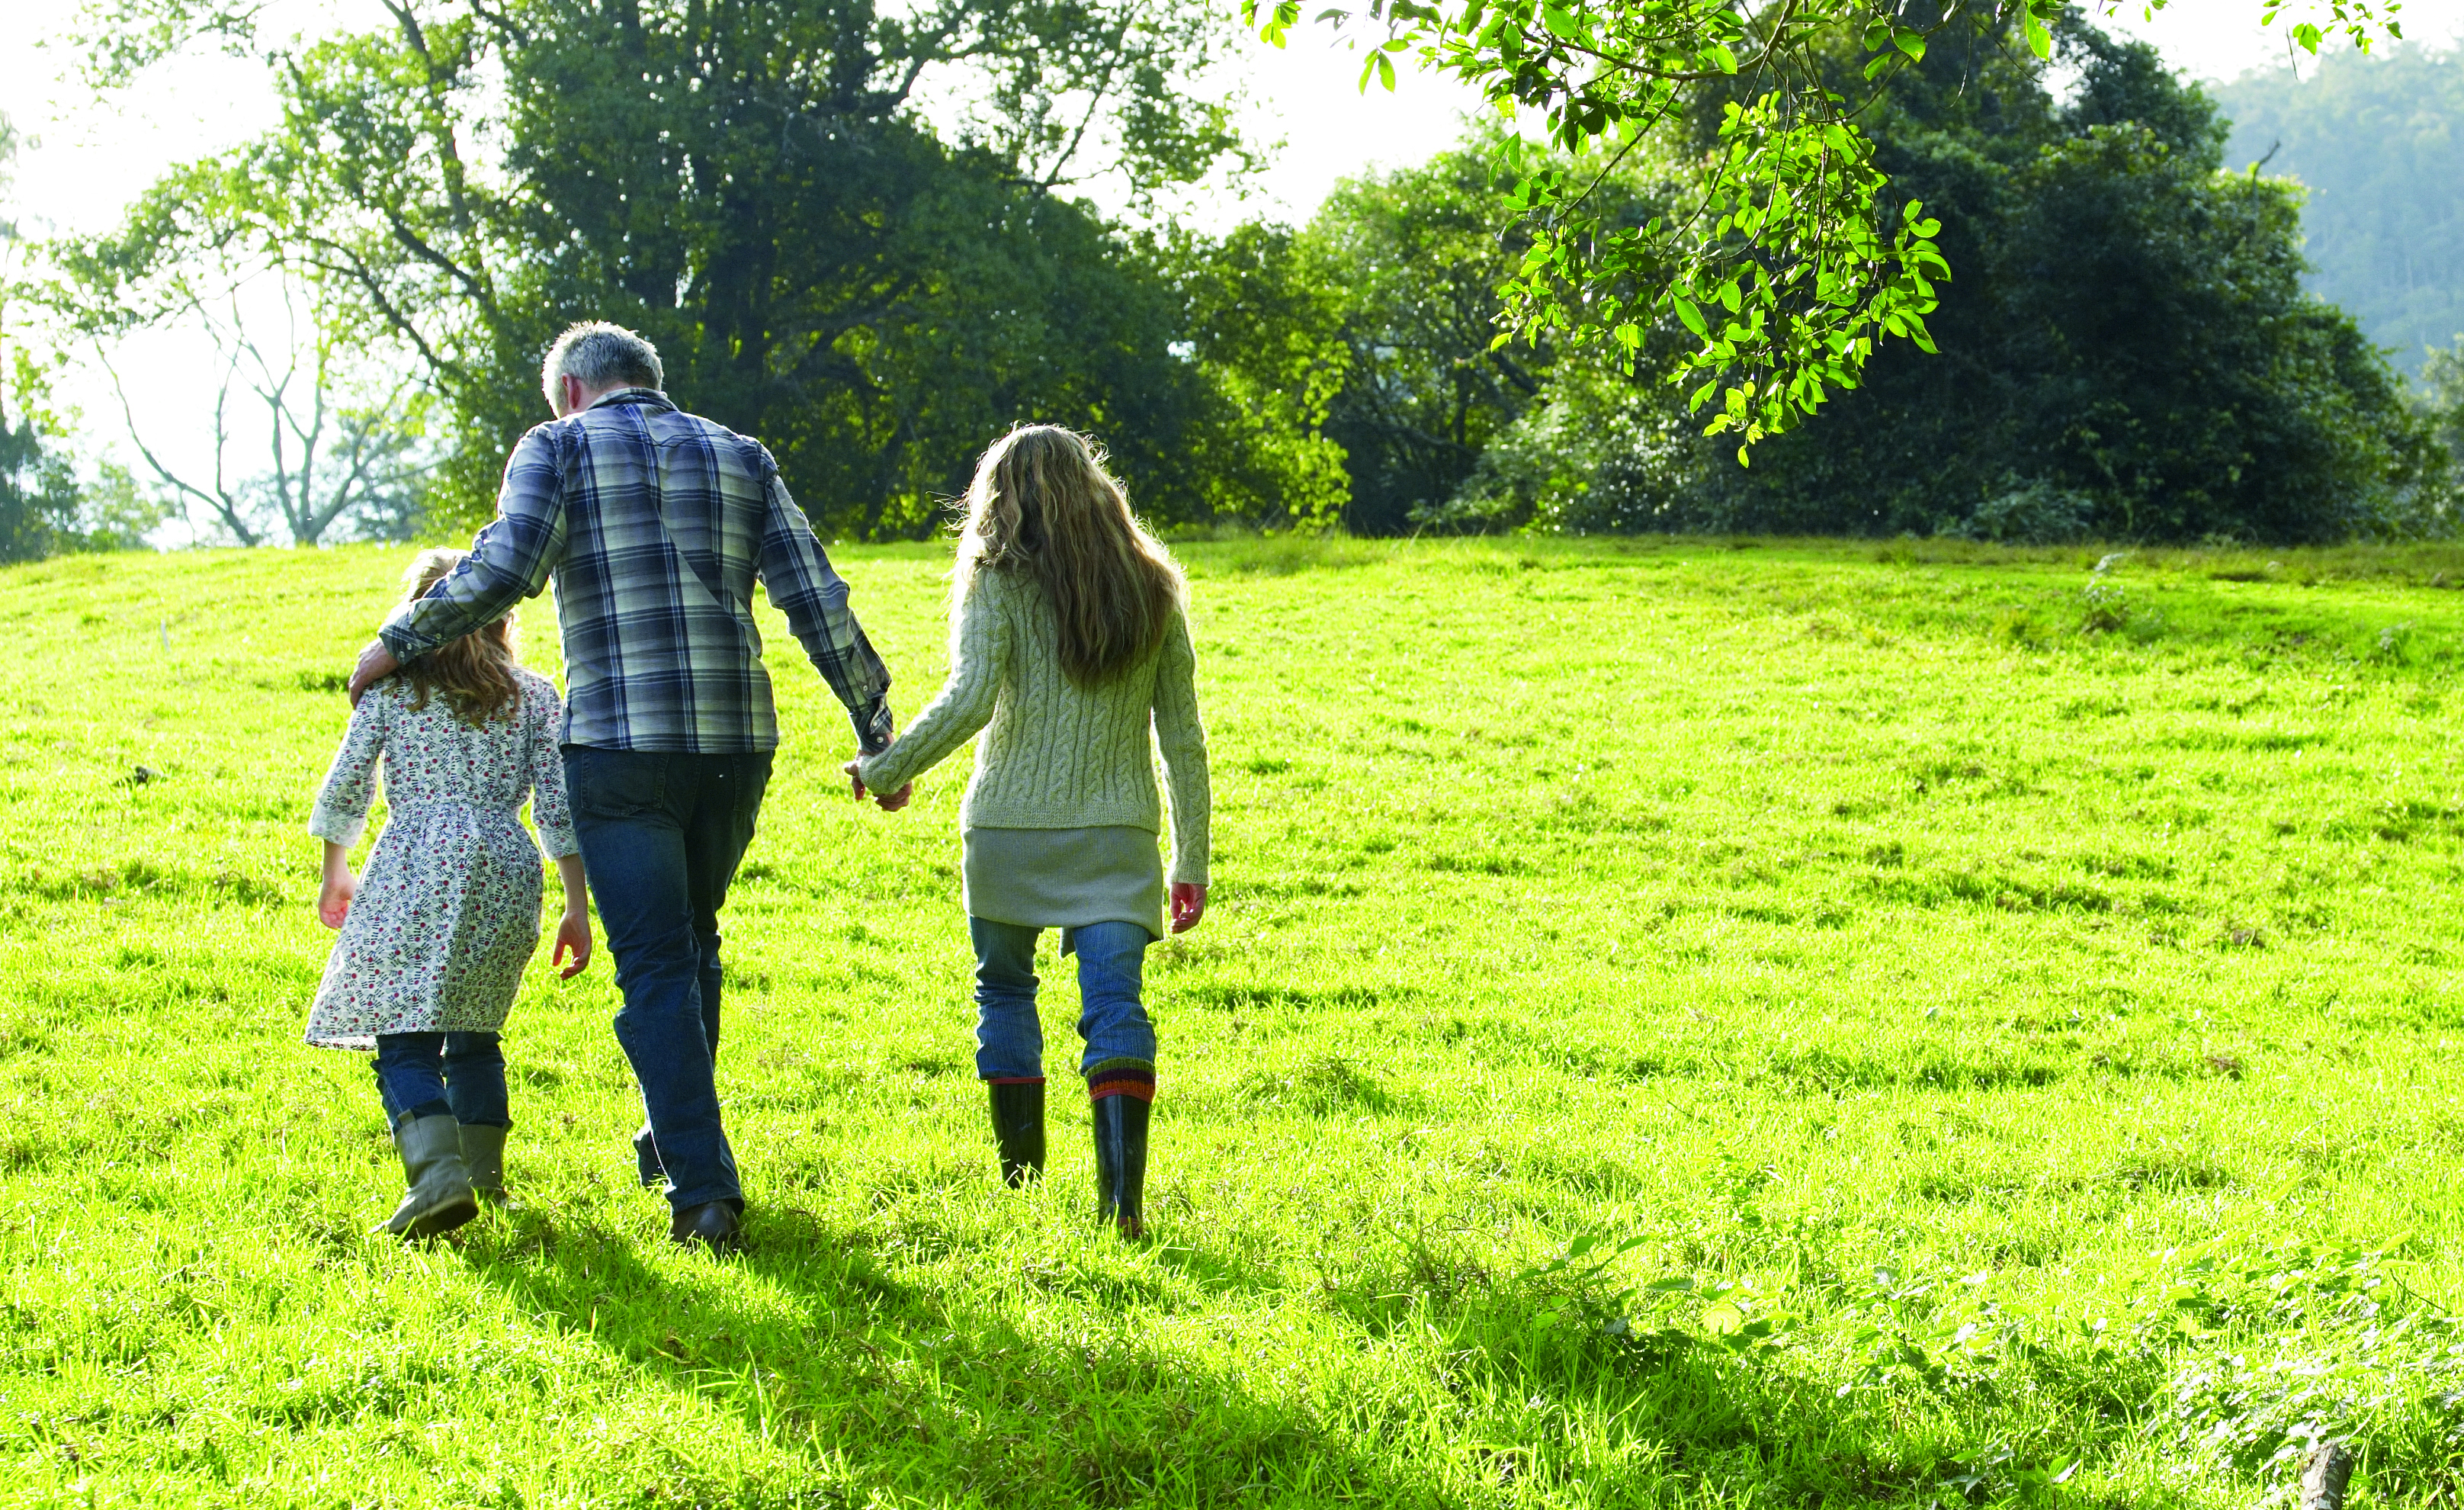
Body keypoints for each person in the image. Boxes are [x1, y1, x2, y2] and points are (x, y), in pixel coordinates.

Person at [345, 322, 903, 1253]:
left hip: (620, 744)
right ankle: (670, 1140)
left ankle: (703, 1191)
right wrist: (874, 727)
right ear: (649, 381)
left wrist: (398, 640)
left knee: (653, 959)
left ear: (568, 390)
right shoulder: (739, 453)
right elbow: (815, 594)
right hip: (733, 744)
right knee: (690, 940)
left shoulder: (555, 446)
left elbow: (506, 569)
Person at [848, 425, 1209, 1239]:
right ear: (1094, 485)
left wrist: (886, 767)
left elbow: (971, 698)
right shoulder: (1153, 585)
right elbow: (1181, 734)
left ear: (999, 495)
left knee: (1004, 991)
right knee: (1115, 1002)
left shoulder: (995, 580)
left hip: (1008, 824)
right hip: (1117, 833)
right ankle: (1121, 1203)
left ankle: (1022, 1185)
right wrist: (1191, 859)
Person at [310, 548, 592, 1239]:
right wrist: (577, 907)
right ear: (499, 619)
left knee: (403, 1039)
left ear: (414, 617)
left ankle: (438, 1179)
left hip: (417, 863)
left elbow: (350, 782)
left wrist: (335, 867)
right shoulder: (535, 696)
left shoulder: (395, 692)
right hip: (507, 865)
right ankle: (482, 1180)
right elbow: (560, 809)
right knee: (474, 1034)